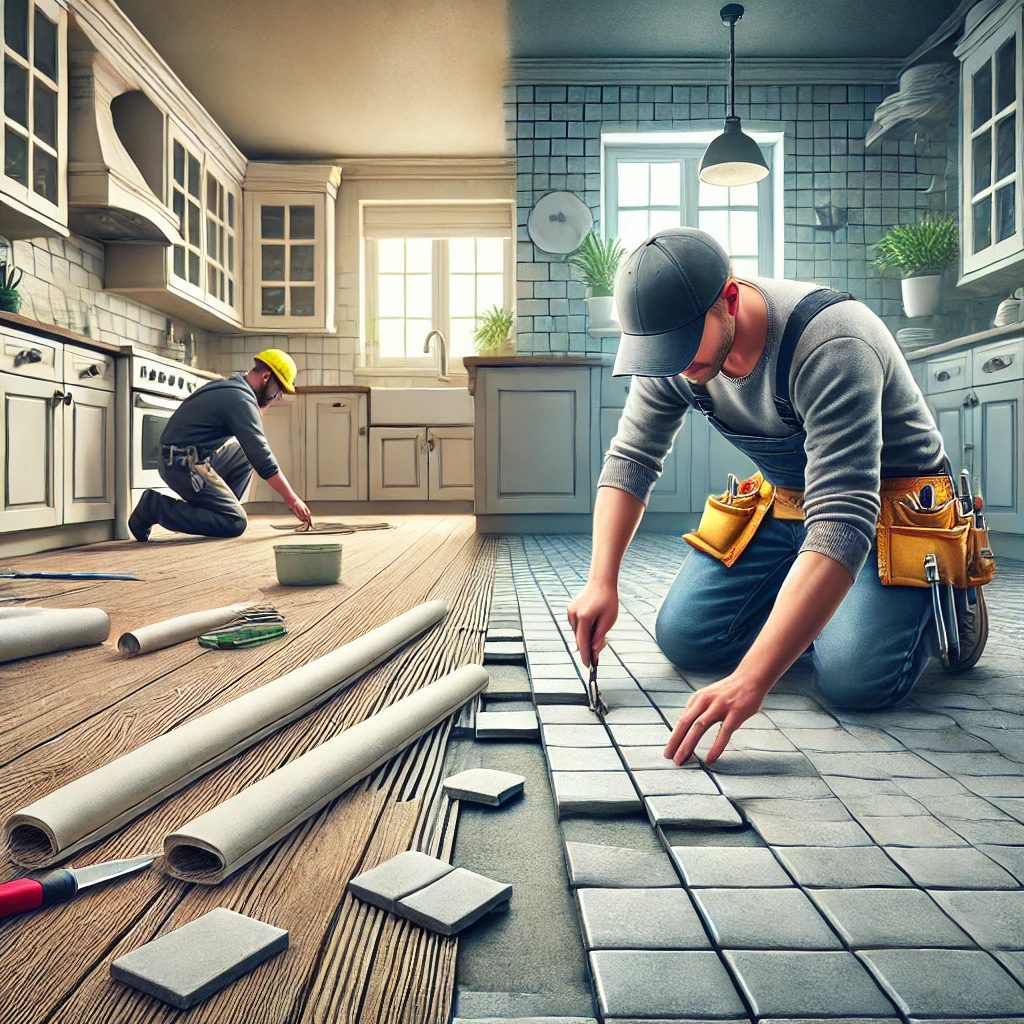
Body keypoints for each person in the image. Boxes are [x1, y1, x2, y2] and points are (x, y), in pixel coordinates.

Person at [567, 227, 988, 768]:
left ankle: (945, 598)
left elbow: (841, 519)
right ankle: (818, 609)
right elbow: (631, 460)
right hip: (787, 500)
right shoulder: (673, 353)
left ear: (730, 301)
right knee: (686, 637)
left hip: (887, 509)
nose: (673, 366)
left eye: (681, 347)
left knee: (854, 681)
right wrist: (601, 581)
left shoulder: (832, 340)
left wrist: (752, 678)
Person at [128, 348, 312, 541]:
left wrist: (262, 403)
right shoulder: (240, 399)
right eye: (279, 389)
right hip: (181, 464)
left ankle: (216, 512)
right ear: (266, 377)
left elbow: (252, 446)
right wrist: (293, 499)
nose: (278, 397)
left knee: (244, 453)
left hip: (189, 458)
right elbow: (262, 458)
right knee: (235, 522)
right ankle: (156, 508)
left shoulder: (236, 388)